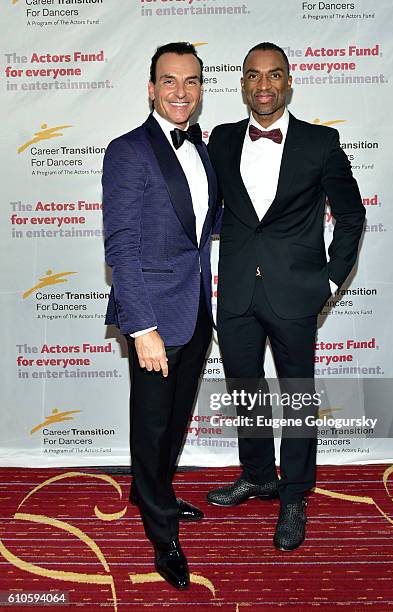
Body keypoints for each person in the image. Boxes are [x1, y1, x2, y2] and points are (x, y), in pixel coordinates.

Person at [206, 42, 365, 551]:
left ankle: (295, 495)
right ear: (243, 85)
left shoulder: (321, 143)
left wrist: (331, 281)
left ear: (289, 82)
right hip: (234, 293)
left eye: (274, 75)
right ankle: (257, 475)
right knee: (245, 391)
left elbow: (352, 215)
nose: (264, 85)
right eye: (254, 76)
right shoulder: (223, 140)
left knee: (297, 398)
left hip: (296, 292)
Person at [102, 42, 218, 589]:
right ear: (151, 88)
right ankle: (161, 532)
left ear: (200, 88)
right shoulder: (127, 151)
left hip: (195, 309)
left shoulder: (203, 147)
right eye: (169, 81)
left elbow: (201, 231)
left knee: (173, 422)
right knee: (150, 429)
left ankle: (159, 492)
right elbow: (121, 248)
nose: (180, 92)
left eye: (191, 81)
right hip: (153, 317)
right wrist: (141, 327)